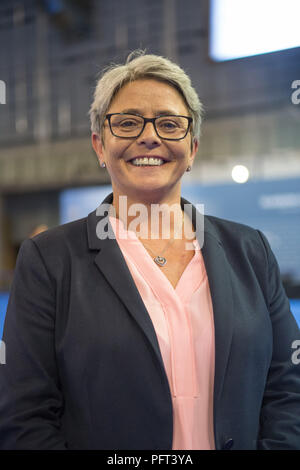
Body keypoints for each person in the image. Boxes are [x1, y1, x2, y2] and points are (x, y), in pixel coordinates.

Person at [0, 50, 299, 451]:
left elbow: (287, 387)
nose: (149, 135)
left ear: (192, 148)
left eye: (169, 123)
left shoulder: (250, 250)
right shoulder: (50, 260)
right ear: (99, 147)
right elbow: (25, 414)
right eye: (126, 123)